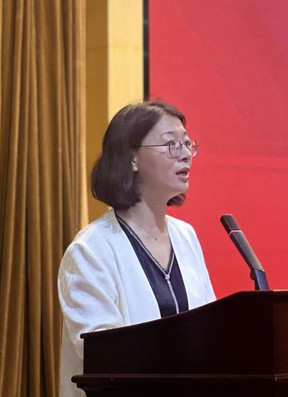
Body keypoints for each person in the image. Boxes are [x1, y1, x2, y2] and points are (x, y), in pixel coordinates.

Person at [57, 101, 216, 397]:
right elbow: (103, 356)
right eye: (170, 144)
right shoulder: (91, 249)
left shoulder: (186, 237)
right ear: (132, 158)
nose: (185, 154)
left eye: (187, 144)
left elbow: (211, 329)